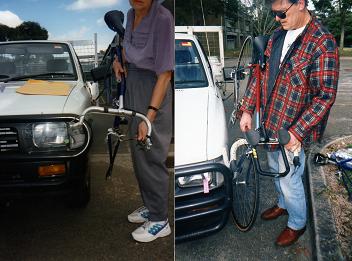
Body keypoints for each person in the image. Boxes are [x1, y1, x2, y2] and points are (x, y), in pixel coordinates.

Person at [239, 0, 339, 246]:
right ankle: (283, 204)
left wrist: (297, 132)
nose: (277, 19)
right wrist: (247, 110)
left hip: (292, 129)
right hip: (269, 121)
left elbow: (325, 95)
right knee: (274, 168)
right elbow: (259, 74)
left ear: (301, 4)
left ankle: (297, 223)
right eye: (273, 14)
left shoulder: (321, 42)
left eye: (281, 13)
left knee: (290, 177)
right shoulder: (276, 37)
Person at [112, 0, 174, 243]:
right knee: (139, 155)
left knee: (151, 155)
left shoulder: (163, 18)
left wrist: (148, 117)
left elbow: (165, 74)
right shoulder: (130, 13)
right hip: (134, 86)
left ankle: (160, 219)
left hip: (154, 90)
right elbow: (130, 51)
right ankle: (151, 204)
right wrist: (119, 63)